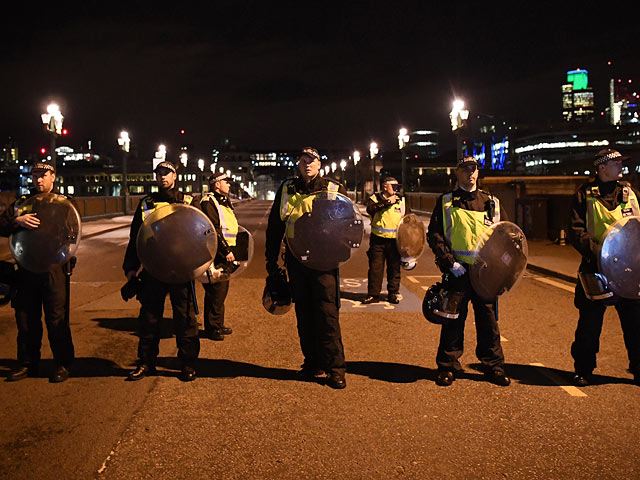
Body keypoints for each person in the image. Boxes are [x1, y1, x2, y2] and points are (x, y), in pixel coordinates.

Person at [265, 147, 348, 389]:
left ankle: (336, 369)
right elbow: (274, 227)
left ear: (320, 165)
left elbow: (347, 226)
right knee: (304, 314)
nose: (307, 165)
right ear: (298, 165)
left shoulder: (333, 189)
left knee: (327, 314)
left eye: (312, 161)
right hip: (296, 260)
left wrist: (341, 254)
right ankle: (312, 363)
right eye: (303, 161)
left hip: (324, 262)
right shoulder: (287, 189)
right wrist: (272, 261)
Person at [427, 155, 510, 387]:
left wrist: (501, 268)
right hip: (458, 272)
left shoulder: (491, 202)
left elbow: (505, 235)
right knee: (453, 319)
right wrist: (449, 263)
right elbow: (435, 235)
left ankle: (493, 366)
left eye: (474, 169)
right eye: (465, 170)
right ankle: (448, 365)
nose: (470, 174)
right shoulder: (445, 201)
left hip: (484, 273)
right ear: (457, 173)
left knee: (489, 321)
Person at [123, 161, 200, 382]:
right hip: (153, 268)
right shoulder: (147, 203)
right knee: (149, 318)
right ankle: (146, 363)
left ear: (175, 176)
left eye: (167, 173)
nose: (162, 177)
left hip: (181, 268)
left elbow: (201, 234)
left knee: (184, 318)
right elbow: (135, 238)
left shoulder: (188, 201)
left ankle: (187, 364)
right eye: (159, 174)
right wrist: (130, 268)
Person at [569, 148, 640, 387]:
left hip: (629, 271)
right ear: (602, 168)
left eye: (621, 162)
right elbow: (576, 232)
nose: (621, 166)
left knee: (635, 324)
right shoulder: (584, 195)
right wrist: (601, 253)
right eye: (616, 163)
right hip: (595, 268)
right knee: (589, 325)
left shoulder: (631, 193)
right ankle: (584, 370)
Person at [2, 162, 75, 383]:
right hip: (27, 268)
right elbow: (1, 224)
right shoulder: (22, 203)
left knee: (56, 319)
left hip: (54, 269)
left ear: (53, 177)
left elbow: (73, 232)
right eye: (35, 176)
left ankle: (62, 363)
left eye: (43, 176)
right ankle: (27, 363)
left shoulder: (64, 204)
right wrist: (16, 221)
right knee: (25, 319)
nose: (38, 180)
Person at [199, 171, 237, 341]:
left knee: (221, 290)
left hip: (222, 251)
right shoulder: (209, 202)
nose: (229, 184)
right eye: (226, 182)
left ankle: (217, 323)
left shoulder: (222, 201)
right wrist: (225, 250)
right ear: (216, 185)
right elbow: (213, 228)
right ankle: (213, 327)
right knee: (216, 290)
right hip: (216, 253)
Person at [363, 176, 407, 304]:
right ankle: (373, 294)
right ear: (384, 187)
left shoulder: (401, 201)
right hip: (378, 240)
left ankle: (393, 293)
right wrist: (387, 202)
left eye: (397, 186)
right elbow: (370, 209)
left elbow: (408, 220)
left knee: (394, 269)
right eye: (393, 186)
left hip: (395, 241)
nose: (395, 189)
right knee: (375, 268)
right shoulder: (374, 199)